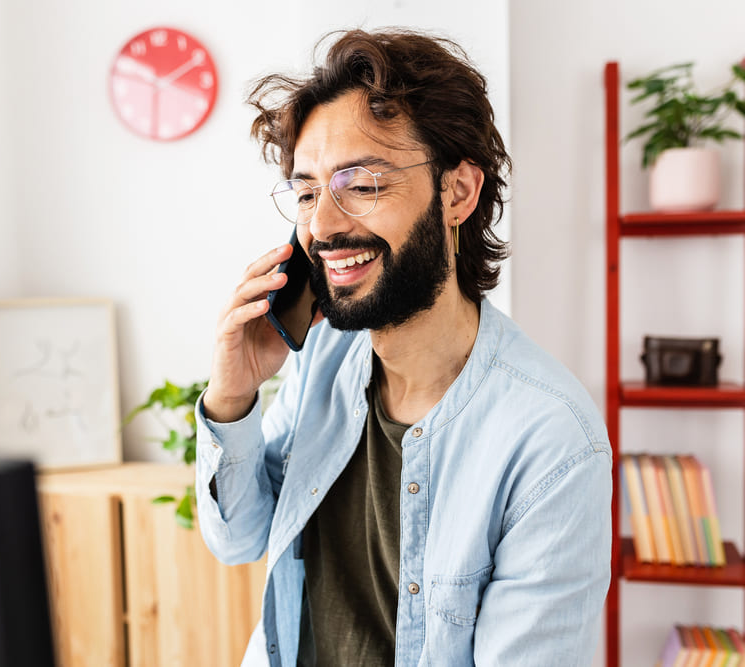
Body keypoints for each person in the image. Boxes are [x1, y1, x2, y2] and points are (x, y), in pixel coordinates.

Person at [194, 28, 611, 667]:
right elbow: (238, 537)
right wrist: (232, 394)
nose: (322, 226)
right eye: (307, 193)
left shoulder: (551, 438)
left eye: (361, 184)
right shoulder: (323, 360)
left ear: (457, 193)